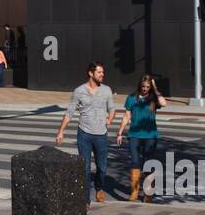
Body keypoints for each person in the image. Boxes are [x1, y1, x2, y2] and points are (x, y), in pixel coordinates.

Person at [55, 61, 115, 203]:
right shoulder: (79, 91)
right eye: (99, 72)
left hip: (101, 134)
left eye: (103, 72)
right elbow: (70, 113)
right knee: (85, 168)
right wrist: (61, 131)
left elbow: (112, 109)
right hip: (84, 134)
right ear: (91, 73)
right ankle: (85, 200)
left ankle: (99, 187)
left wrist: (110, 120)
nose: (102, 75)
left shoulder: (106, 90)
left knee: (102, 168)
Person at [116, 73, 165, 201]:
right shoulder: (132, 98)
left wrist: (155, 88)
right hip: (134, 135)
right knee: (135, 162)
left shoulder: (153, 98)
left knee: (148, 163)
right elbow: (127, 116)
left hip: (150, 135)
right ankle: (134, 191)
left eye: (148, 87)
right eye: (143, 86)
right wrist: (120, 132)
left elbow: (163, 103)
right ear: (140, 85)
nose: (145, 89)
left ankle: (148, 193)